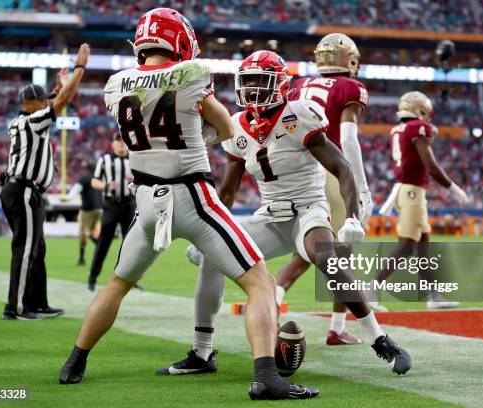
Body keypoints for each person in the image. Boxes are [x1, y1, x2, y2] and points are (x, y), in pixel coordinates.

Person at [58, 9, 318, 400]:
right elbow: (228, 128)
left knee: (116, 284)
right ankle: (266, 376)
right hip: (193, 199)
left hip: (145, 203)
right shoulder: (192, 73)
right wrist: (199, 135)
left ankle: (75, 361)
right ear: (179, 41)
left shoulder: (116, 85)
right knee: (260, 283)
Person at [167, 50, 411, 379]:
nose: (252, 88)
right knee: (213, 257)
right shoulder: (238, 126)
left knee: (327, 258)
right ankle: (201, 351)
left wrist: (352, 216)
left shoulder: (299, 114)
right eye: (248, 81)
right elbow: (227, 191)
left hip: (308, 209)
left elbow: (342, 168)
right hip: (269, 216)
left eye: (260, 80)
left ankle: (380, 339)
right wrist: (209, 232)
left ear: (280, 83)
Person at [275, 33, 374, 344]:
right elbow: (347, 139)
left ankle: (271, 303)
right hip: (331, 169)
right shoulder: (351, 87)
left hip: (298, 169)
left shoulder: (300, 84)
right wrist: (359, 185)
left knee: (307, 251)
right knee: (340, 255)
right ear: (351, 60)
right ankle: (337, 327)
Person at [0, 43, 90, 320]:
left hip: (27, 190)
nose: (44, 104)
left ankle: (37, 303)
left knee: (37, 248)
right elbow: (59, 103)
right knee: (26, 249)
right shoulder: (32, 122)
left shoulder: (20, 120)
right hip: (23, 189)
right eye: (40, 102)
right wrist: (79, 70)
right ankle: (15, 308)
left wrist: (57, 85)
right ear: (30, 105)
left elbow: (52, 100)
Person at [376, 91, 468, 310]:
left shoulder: (398, 129)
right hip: (412, 193)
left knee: (423, 246)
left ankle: (433, 296)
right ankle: (371, 288)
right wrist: (453, 188)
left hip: (407, 191)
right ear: (421, 110)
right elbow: (430, 164)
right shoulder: (417, 128)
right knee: (406, 246)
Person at [86, 134, 135, 291]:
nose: (121, 145)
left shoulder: (135, 158)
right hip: (111, 205)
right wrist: (107, 186)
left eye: (124, 142)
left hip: (129, 205)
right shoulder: (104, 159)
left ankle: (131, 280)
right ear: (113, 144)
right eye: (118, 142)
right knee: (103, 243)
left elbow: (143, 179)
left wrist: (134, 179)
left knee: (131, 244)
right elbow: (94, 181)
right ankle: (92, 278)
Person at [64, 162, 102, 266]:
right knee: (90, 232)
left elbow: (76, 188)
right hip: (99, 210)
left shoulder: (85, 178)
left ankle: (82, 259)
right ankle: (99, 246)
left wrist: (68, 198)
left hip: (88, 210)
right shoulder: (99, 180)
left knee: (83, 234)